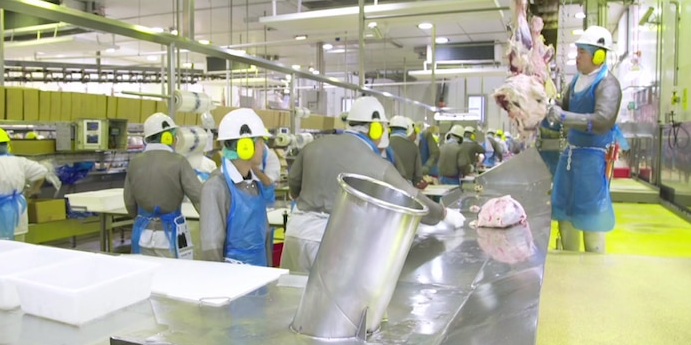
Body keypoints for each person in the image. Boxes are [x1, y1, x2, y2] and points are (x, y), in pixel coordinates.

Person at [282, 96, 465, 273]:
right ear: (376, 128)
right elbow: (412, 198)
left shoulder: (313, 146)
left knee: (290, 296)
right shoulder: (378, 165)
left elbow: (294, 186)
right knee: (331, 303)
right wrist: (443, 213)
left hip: (296, 236)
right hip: (334, 241)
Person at [547, 25, 622, 253]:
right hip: (570, 156)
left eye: (581, 52)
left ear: (599, 55)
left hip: (591, 158)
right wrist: (550, 106)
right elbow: (565, 105)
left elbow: (603, 120)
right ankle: (569, 261)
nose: (577, 56)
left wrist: (566, 117)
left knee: (590, 215)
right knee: (565, 211)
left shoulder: (608, 84)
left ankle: (593, 266)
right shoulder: (576, 82)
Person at [200, 108, 272, 266]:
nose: (263, 148)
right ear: (245, 146)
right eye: (260, 141)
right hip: (232, 280)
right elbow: (211, 246)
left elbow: (265, 234)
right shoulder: (216, 187)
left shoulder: (253, 183)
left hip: (259, 273)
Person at [124, 113, 202, 258]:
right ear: (168, 137)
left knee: (147, 277)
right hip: (171, 237)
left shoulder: (134, 163)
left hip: (142, 235)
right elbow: (199, 198)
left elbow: (129, 202)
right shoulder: (179, 161)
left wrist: (144, 218)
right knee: (175, 278)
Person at [389, 115, 422, 185]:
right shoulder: (414, 147)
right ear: (406, 129)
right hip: (407, 187)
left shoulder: (384, 145)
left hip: (389, 186)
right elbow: (418, 175)